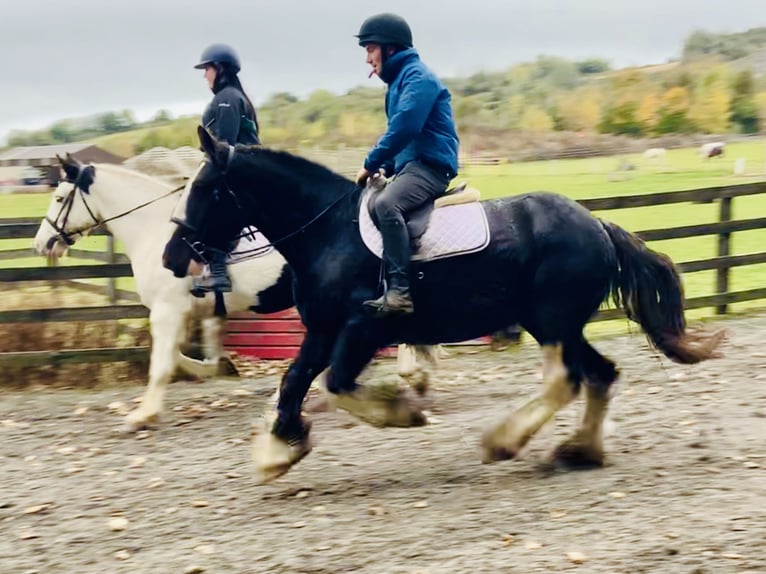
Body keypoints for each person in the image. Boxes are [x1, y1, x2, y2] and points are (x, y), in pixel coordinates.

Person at [355, 14, 459, 317]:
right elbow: (400, 140)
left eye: (370, 49)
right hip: (412, 166)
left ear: (389, 48)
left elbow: (405, 128)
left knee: (387, 204)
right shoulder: (400, 83)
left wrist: (370, 162)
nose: (367, 58)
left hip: (430, 168)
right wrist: (384, 167)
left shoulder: (418, 79)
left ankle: (399, 291)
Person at [190, 43, 260, 296]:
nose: (204, 75)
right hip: (242, 166)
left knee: (212, 203)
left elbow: (225, 144)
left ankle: (218, 272)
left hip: (239, 170)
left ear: (220, 69)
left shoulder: (227, 99)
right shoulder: (231, 97)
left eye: (207, 68)